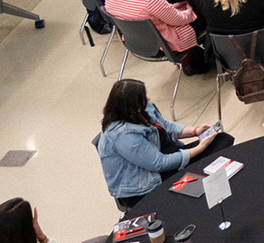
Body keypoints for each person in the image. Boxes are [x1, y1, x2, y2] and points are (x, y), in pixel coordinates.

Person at [92, 78, 217, 209]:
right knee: (204, 174)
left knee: (221, 140)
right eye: (144, 98)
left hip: (165, 155)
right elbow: (159, 163)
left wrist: (196, 131)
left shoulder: (145, 108)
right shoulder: (123, 135)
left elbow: (167, 127)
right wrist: (199, 148)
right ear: (132, 106)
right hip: (145, 184)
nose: (149, 99)